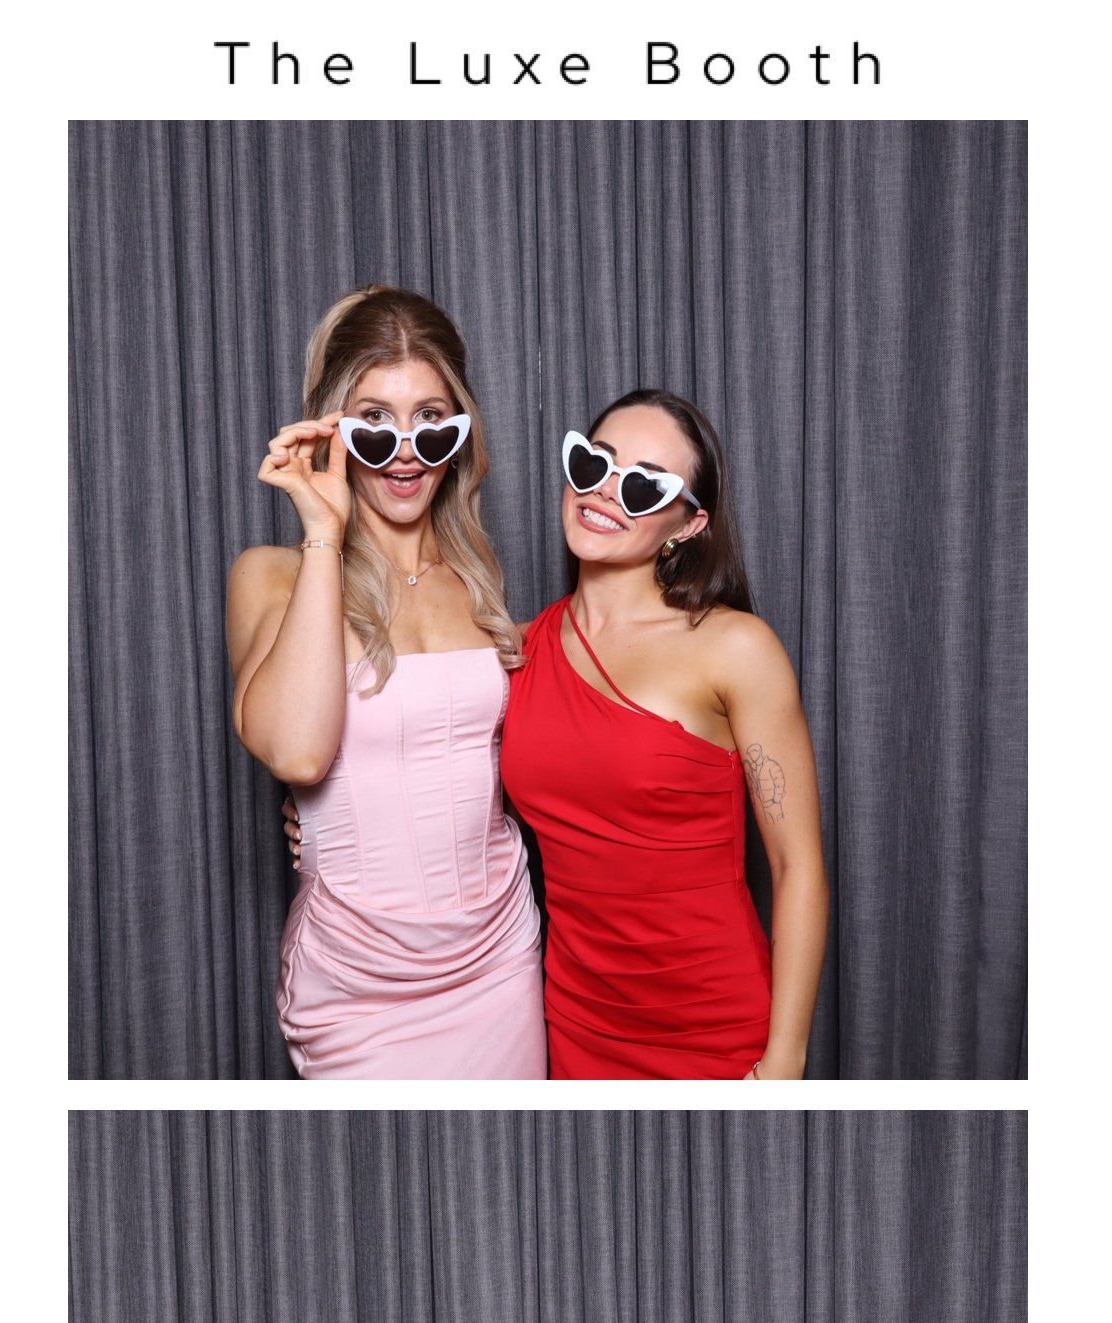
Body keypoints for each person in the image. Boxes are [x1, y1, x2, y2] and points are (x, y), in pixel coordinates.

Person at [228, 285, 546, 1078]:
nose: (407, 448)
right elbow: (301, 756)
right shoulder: (271, 575)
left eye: (431, 418)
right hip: (358, 974)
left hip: (497, 958)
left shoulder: (481, 581)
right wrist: (325, 535)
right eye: (374, 420)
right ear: (331, 428)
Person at [500, 393, 828, 1078]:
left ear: (689, 523)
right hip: (577, 1024)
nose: (604, 493)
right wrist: (318, 815)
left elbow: (797, 868)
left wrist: (783, 1064)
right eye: (593, 463)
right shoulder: (519, 652)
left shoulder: (734, 647)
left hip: (713, 1026)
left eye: (644, 483)